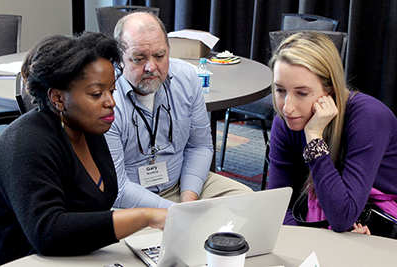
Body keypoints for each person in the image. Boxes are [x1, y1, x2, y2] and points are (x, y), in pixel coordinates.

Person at [0, 32, 167, 266]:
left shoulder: (88, 129)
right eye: (96, 94)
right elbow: (47, 232)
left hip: (79, 255)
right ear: (58, 98)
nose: (110, 102)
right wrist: (145, 216)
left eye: (112, 90)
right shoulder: (25, 143)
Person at [105, 11, 252, 209]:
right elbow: (118, 188)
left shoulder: (186, 78)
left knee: (247, 200)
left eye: (159, 56)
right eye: (139, 59)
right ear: (119, 60)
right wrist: (175, 213)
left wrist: (188, 201)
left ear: (169, 49)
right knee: (126, 233)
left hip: (181, 185)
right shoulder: (106, 99)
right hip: (130, 199)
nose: (152, 67)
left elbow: (200, 146)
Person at [267, 31, 397, 234]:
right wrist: (313, 239)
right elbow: (277, 206)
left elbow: (342, 217)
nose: (287, 107)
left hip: (382, 218)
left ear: (331, 91)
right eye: (280, 90)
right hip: (327, 214)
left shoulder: (370, 118)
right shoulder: (284, 122)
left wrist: (314, 137)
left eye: (301, 93)